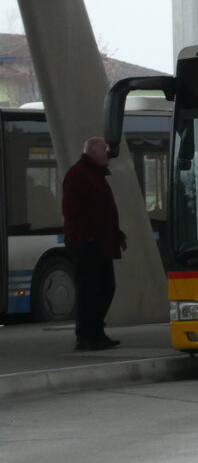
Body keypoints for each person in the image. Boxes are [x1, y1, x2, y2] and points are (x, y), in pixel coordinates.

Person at [62, 137, 126, 351]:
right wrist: (86, 236)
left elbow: (103, 211)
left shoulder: (94, 175)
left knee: (105, 288)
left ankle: (96, 332)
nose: (107, 155)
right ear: (93, 153)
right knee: (89, 290)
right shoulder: (79, 175)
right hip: (87, 244)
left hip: (100, 242)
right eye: (104, 151)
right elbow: (71, 210)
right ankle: (86, 336)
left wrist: (115, 234)